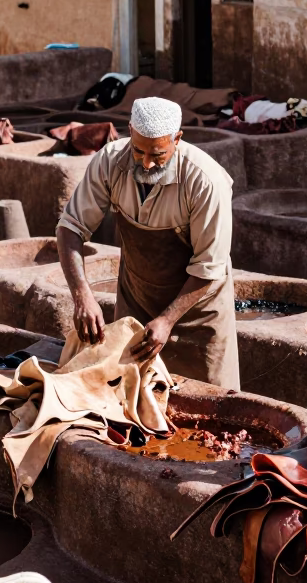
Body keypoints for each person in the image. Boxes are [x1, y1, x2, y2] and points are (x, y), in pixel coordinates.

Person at [56, 95, 239, 387]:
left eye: (159, 154)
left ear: (177, 138)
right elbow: (70, 228)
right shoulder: (110, 161)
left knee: (204, 408)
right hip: (137, 302)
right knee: (128, 397)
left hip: (199, 316)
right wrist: (82, 295)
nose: (147, 163)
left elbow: (209, 266)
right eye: (139, 151)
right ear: (130, 130)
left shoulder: (205, 181)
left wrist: (168, 320)